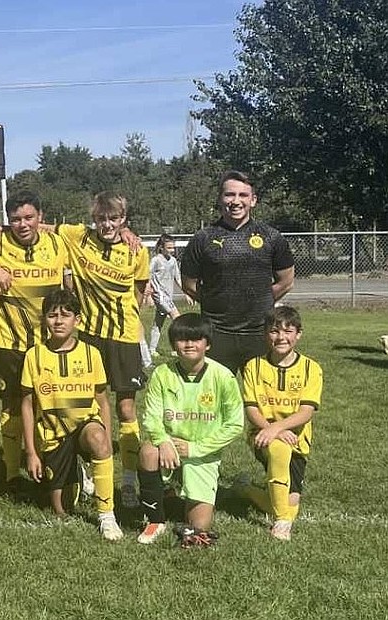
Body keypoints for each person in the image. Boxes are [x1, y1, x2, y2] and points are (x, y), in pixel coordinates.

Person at [0, 191, 69, 495]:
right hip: (8, 342)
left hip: (47, 342)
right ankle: (12, 474)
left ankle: (51, 464)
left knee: (51, 405)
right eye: (15, 219)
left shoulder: (57, 242)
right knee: (12, 407)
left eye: (29, 217)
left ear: (41, 217)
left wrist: (129, 232)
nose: (22, 224)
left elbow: (90, 234)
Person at [57, 191, 149, 507]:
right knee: (92, 407)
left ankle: (128, 481)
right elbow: (39, 227)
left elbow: (138, 291)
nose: (107, 224)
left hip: (123, 338)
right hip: (88, 337)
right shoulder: (77, 237)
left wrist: (127, 319)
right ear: (93, 219)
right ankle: (96, 473)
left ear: (123, 219)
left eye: (114, 219)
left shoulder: (137, 250)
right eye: (101, 219)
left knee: (125, 409)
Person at [20, 289, 122, 540]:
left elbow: (103, 401)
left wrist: (107, 438)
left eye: (66, 315)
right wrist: (31, 452)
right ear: (44, 319)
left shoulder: (91, 354)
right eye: (52, 315)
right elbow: (26, 405)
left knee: (97, 439)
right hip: (53, 433)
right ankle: (75, 473)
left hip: (85, 426)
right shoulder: (34, 355)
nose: (59, 321)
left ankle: (106, 515)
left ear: (77, 320)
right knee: (61, 510)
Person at [137, 313, 244, 547]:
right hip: (169, 446)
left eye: (196, 339)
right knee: (148, 451)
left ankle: (171, 496)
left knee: (199, 527)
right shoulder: (162, 374)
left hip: (201, 453)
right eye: (183, 339)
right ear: (174, 344)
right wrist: (162, 441)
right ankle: (155, 519)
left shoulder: (223, 376)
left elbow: (235, 424)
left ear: (208, 344)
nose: (189, 344)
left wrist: (195, 448)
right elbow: (152, 416)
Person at [181, 171, 295, 373]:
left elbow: (286, 281)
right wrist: (215, 302)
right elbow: (189, 284)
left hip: (260, 332)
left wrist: (260, 300)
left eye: (243, 195)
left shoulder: (272, 237)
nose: (236, 201)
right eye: (229, 195)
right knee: (215, 401)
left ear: (253, 200)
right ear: (219, 199)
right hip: (217, 333)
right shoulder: (202, 239)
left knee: (263, 400)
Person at [239, 306, 322, 541]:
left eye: (288, 331)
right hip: (262, 434)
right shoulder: (253, 366)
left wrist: (279, 428)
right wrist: (271, 430)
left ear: (299, 335)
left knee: (290, 500)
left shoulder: (311, 368)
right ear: (266, 335)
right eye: (274, 331)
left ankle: (246, 489)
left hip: (297, 438)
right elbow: (251, 408)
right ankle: (282, 523)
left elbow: (306, 412)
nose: (281, 337)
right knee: (278, 449)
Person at [146, 233, 185, 360]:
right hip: (160, 295)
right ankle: (177, 348)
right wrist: (149, 296)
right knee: (177, 318)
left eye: (173, 248)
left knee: (158, 323)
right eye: (169, 248)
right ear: (161, 248)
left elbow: (177, 277)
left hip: (168, 295)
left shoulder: (173, 261)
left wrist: (186, 292)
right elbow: (148, 277)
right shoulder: (156, 260)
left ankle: (152, 349)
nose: (172, 251)